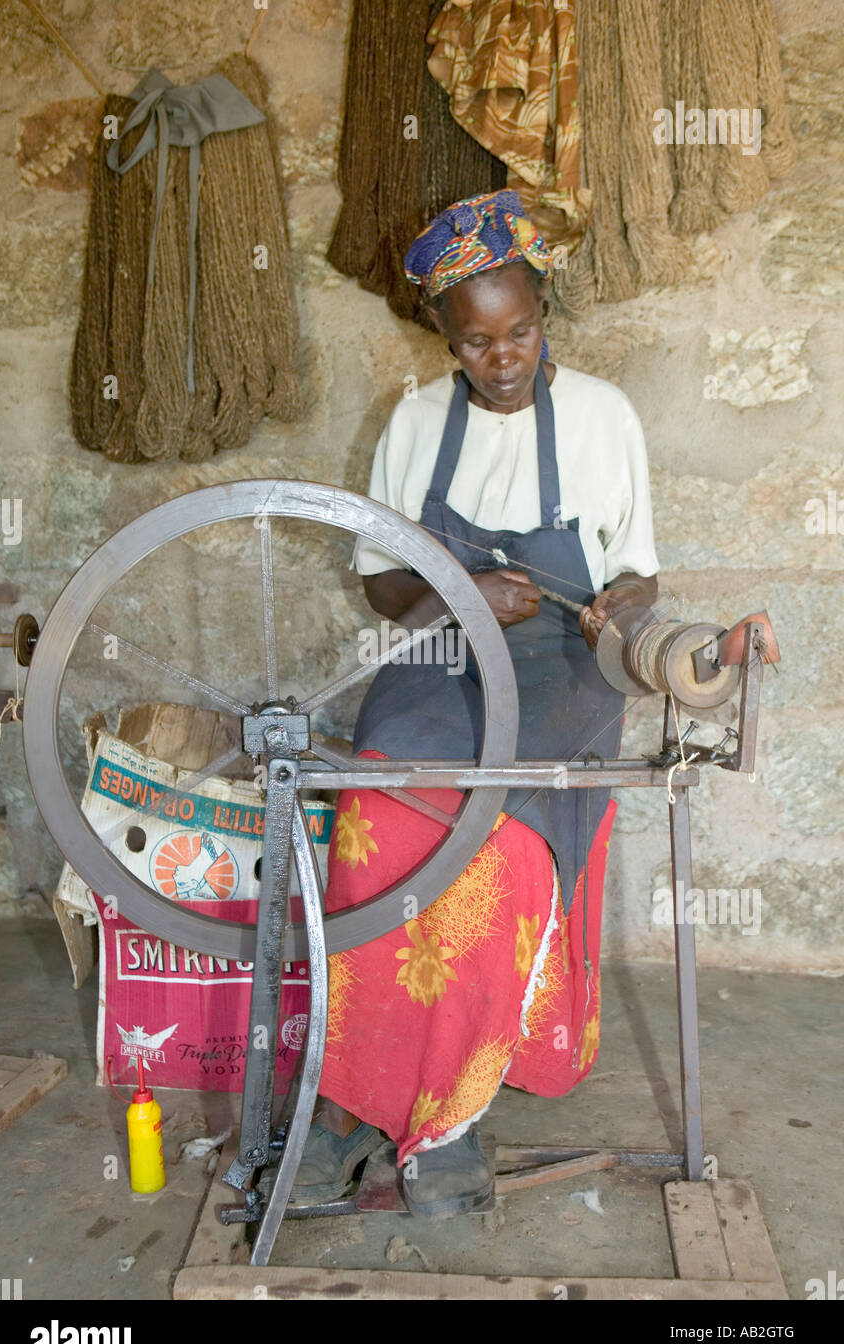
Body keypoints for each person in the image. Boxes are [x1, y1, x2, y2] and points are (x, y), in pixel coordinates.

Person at [292, 190, 659, 1217]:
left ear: (545, 318)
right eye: (477, 341)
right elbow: (380, 583)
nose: (503, 358)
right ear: (448, 341)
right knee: (383, 797)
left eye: (521, 332)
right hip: (442, 649)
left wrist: (613, 617)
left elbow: (638, 577)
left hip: (561, 667)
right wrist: (459, 596)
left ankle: (447, 1115)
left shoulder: (602, 417)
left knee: (489, 831)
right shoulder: (415, 423)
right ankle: (355, 1094)